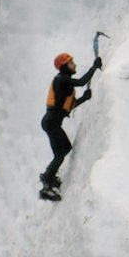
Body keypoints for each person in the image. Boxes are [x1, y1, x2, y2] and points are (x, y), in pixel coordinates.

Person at [39, 52, 102, 201]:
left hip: (52, 122)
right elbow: (81, 82)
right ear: (64, 67)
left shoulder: (65, 83)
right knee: (60, 153)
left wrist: (84, 99)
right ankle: (47, 185)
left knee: (66, 148)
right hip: (51, 122)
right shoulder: (62, 80)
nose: (74, 65)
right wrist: (94, 67)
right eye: (71, 63)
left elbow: (69, 105)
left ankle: (49, 177)